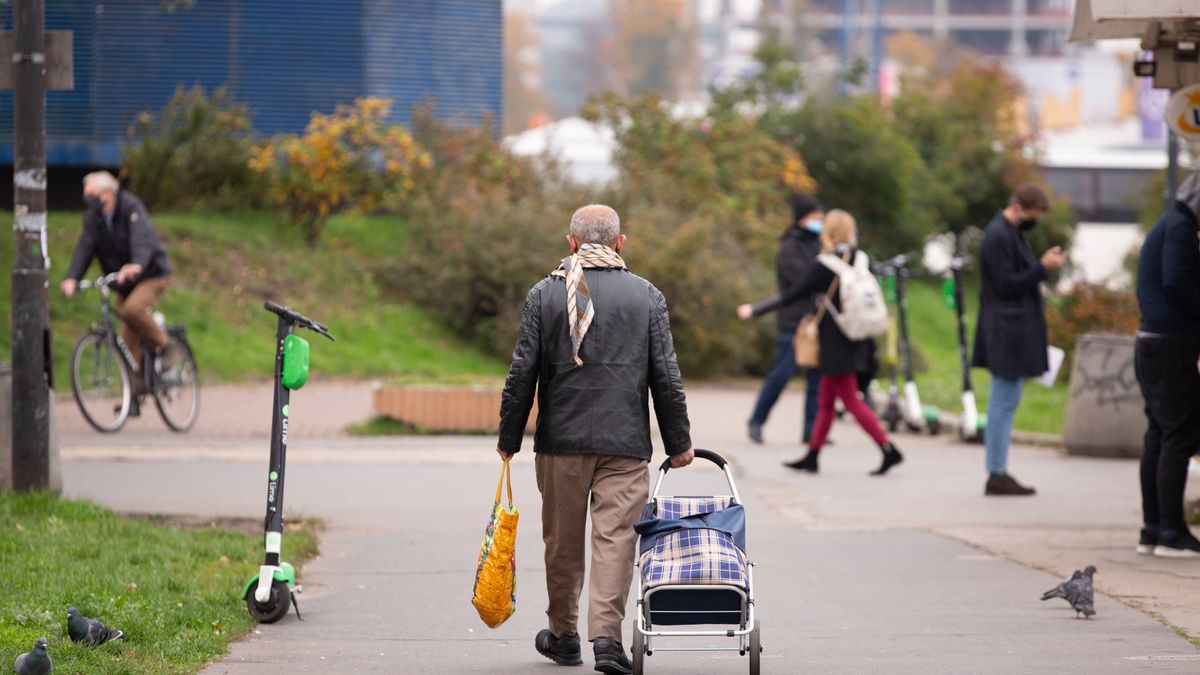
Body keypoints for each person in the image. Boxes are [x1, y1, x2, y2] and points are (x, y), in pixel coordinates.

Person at [496, 204, 695, 674]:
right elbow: (666, 375)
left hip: (560, 443)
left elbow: (522, 371)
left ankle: (564, 637)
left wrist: (509, 437)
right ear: (620, 244)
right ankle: (606, 640)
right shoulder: (647, 296)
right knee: (616, 540)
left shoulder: (545, 294)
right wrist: (678, 441)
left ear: (571, 243)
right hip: (625, 444)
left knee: (562, 542)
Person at [771, 209, 903, 475]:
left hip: (834, 344)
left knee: (851, 401)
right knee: (826, 400)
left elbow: (794, 292)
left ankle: (889, 449)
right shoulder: (860, 259)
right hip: (858, 339)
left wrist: (755, 309)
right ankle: (813, 455)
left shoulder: (826, 265)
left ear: (829, 232)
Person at [972, 184, 1065, 496]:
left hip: (1009, 328)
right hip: (1005, 330)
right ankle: (996, 471)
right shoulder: (999, 236)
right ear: (1021, 208)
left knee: (1007, 401)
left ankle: (999, 469)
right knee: (1002, 402)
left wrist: (1038, 268)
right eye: (1035, 214)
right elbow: (1006, 283)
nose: (1034, 220)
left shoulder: (1010, 233)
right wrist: (1042, 268)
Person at [61, 172, 174, 407]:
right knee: (126, 337)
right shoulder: (94, 217)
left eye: (92, 195)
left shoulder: (130, 207)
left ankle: (166, 346)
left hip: (151, 274)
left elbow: (142, 239)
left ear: (108, 193)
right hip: (124, 281)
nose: (88, 201)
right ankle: (133, 393)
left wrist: (137, 264)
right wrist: (73, 278)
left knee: (133, 308)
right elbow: (86, 247)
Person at [1132, 173, 1200, 558]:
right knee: (1178, 434)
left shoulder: (1168, 223)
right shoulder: (1180, 228)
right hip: (1171, 344)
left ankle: (1153, 529)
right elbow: (1178, 281)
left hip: (1152, 343)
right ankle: (1171, 532)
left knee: (1160, 434)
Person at [737, 194, 825, 445]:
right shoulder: (789, 247)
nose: (820, 221)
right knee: (782, 374)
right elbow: (802, 284)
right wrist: (757, 310)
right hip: (793, 320)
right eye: (815, 217)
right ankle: (757, 421)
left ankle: (812, 430)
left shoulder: (817, 243)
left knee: (816, 379)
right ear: (803, 218)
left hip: (816, 321)